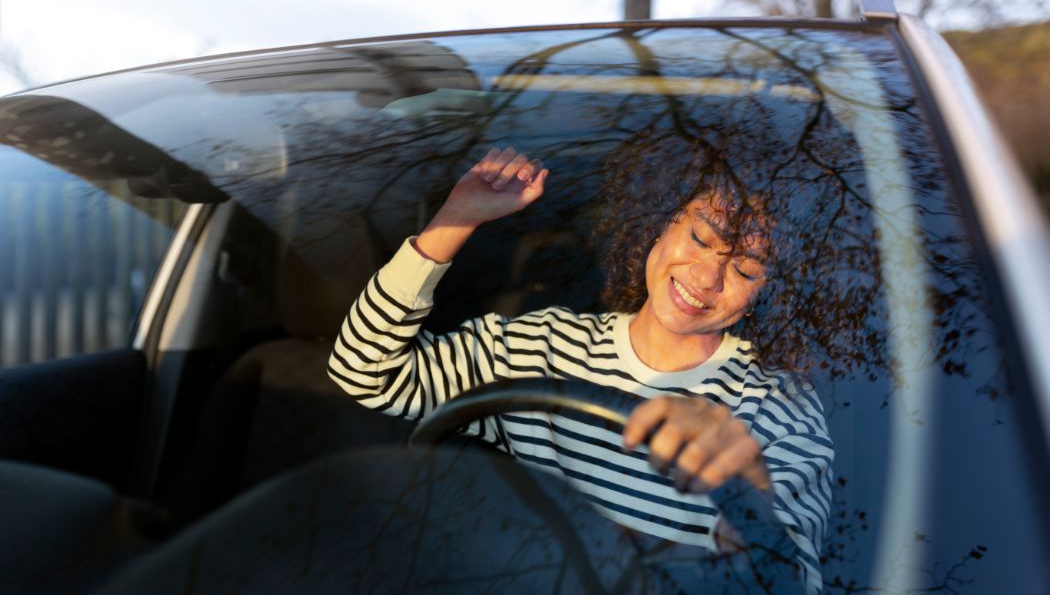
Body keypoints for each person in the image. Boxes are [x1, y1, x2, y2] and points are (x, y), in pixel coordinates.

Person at [328, 146, 832, 592]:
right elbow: (364, 371)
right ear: (663, 221)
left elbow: (791, 584)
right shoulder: (544, 343)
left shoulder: (774, 410)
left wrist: (750, 492)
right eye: (700, 237)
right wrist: (453, 221)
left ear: (771, 291)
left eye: (745, 268)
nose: (707, 276)